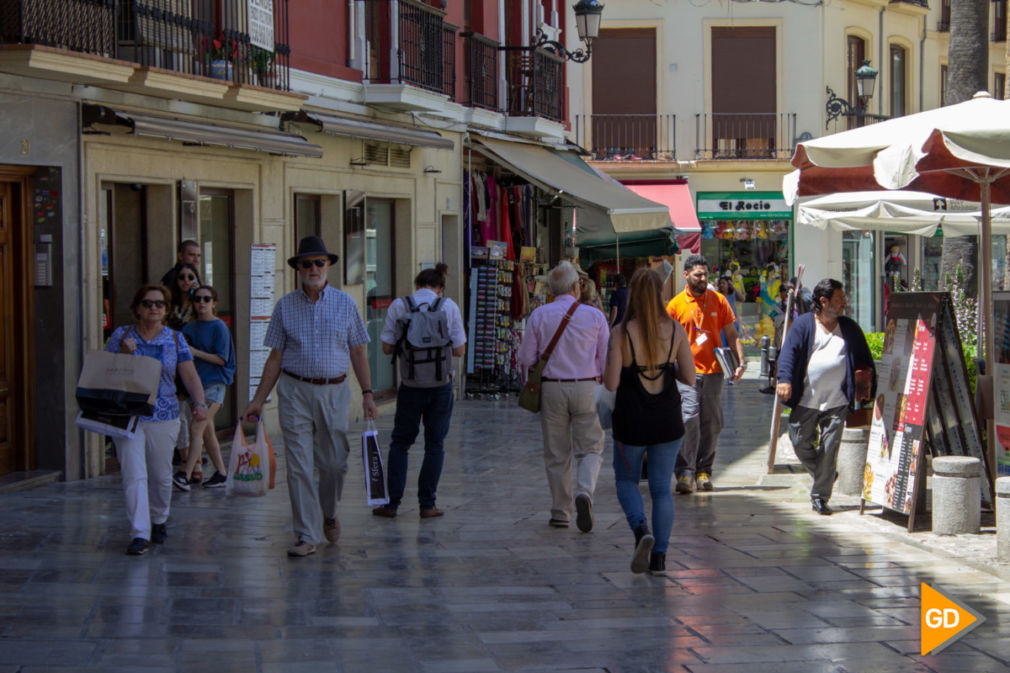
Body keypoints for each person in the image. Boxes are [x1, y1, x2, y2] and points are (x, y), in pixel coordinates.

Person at [242, 236, 377, 558]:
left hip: (335, 391)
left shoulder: (345, 304)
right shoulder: (285, 306)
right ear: (298, 269)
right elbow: (275, 357)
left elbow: (359, 350)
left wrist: (369, 393)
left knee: (334, 465)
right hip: (294, 391)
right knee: (299, 466)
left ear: (328, 265)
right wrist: (258, 399)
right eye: (307, 264)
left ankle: (329, 513)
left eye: (319, 262)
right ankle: (306, 533)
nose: (313, 268)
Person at [604, 268, 695, 574]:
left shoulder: (621, 332)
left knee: (626, 481)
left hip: (631, 420)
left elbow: (611, 384)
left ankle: (641, 529)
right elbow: (691, 378)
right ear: (659, 294)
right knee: (661, 489)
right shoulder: (675, 329)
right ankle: (659, 557)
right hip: (667, 418)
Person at [105, 284, 208, 555]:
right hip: (127, 415)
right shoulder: (120, 336)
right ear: (137, 308)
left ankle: (159, 518)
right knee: (133, 474)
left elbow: (189, 375)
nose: (153, 308)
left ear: (166, 310)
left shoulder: (175, 339)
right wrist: (124, 355)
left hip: (164, 414)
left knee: (161, 475)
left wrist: (199, 403)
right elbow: (106, 372)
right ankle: (140, 532)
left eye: (159, 304)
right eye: (148, 303)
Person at [518, 261, 609, 532]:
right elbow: (605, 360)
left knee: (557, 453)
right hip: (587, 387)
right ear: (575, 287)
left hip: (552, 388)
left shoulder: (539, 315)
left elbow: (525, 358)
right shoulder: (594, 316)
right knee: (592, 448)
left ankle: (561, 511)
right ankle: (584, 491)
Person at [371, 264, 466, 519]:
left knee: (401, 443)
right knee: (435, 444)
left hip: (411, 387)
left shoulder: (399, 306)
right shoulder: (449, 307)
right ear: (440, 288)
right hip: (440, 386)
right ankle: (427, 504)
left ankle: (392, 504)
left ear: (416, 285)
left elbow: (387, 349)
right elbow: (459, 350)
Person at [776, 278, 876, 516]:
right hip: (807, 399)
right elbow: (789, 353)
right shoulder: (804, 325)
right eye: (840, 299)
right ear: (824, 301)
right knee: (799, 441)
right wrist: (784, 379)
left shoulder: (849, 327)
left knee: (830, 448)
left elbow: (864, 359)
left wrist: (867, 390)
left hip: (837, 400)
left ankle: (820, 496)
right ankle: (827, 474)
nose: (844, 303)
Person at [666, 254, 745, 494]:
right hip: (684, 374)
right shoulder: (675, 305)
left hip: (713, 372)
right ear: (686, 275)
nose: (702, 279)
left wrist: (740, 360)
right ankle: (684, 472)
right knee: (688, 418)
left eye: (705, 275)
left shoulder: (719, 301)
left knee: (711, 423)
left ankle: (703, 471)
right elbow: (667, 340)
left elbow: (731, 333)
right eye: (698, 275)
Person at [173, 285, 236, 490]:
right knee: (207, 431)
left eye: (206, 299)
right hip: (195, 386)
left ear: (214, 303)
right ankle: (221, 473)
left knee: (196, 426)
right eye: (198, 299)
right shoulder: (189, 328)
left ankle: (185, 473)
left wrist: (195, 352)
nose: (201, 303)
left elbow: (221, 359)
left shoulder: (219, 328)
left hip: (214, 384)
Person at [166, 263, 200, 331]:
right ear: (176, 280)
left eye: (190, 277)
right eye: (182, 277)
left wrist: (198, 293)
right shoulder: (170, 302)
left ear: (196, 280)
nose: (186, 280)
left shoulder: (200, 302)